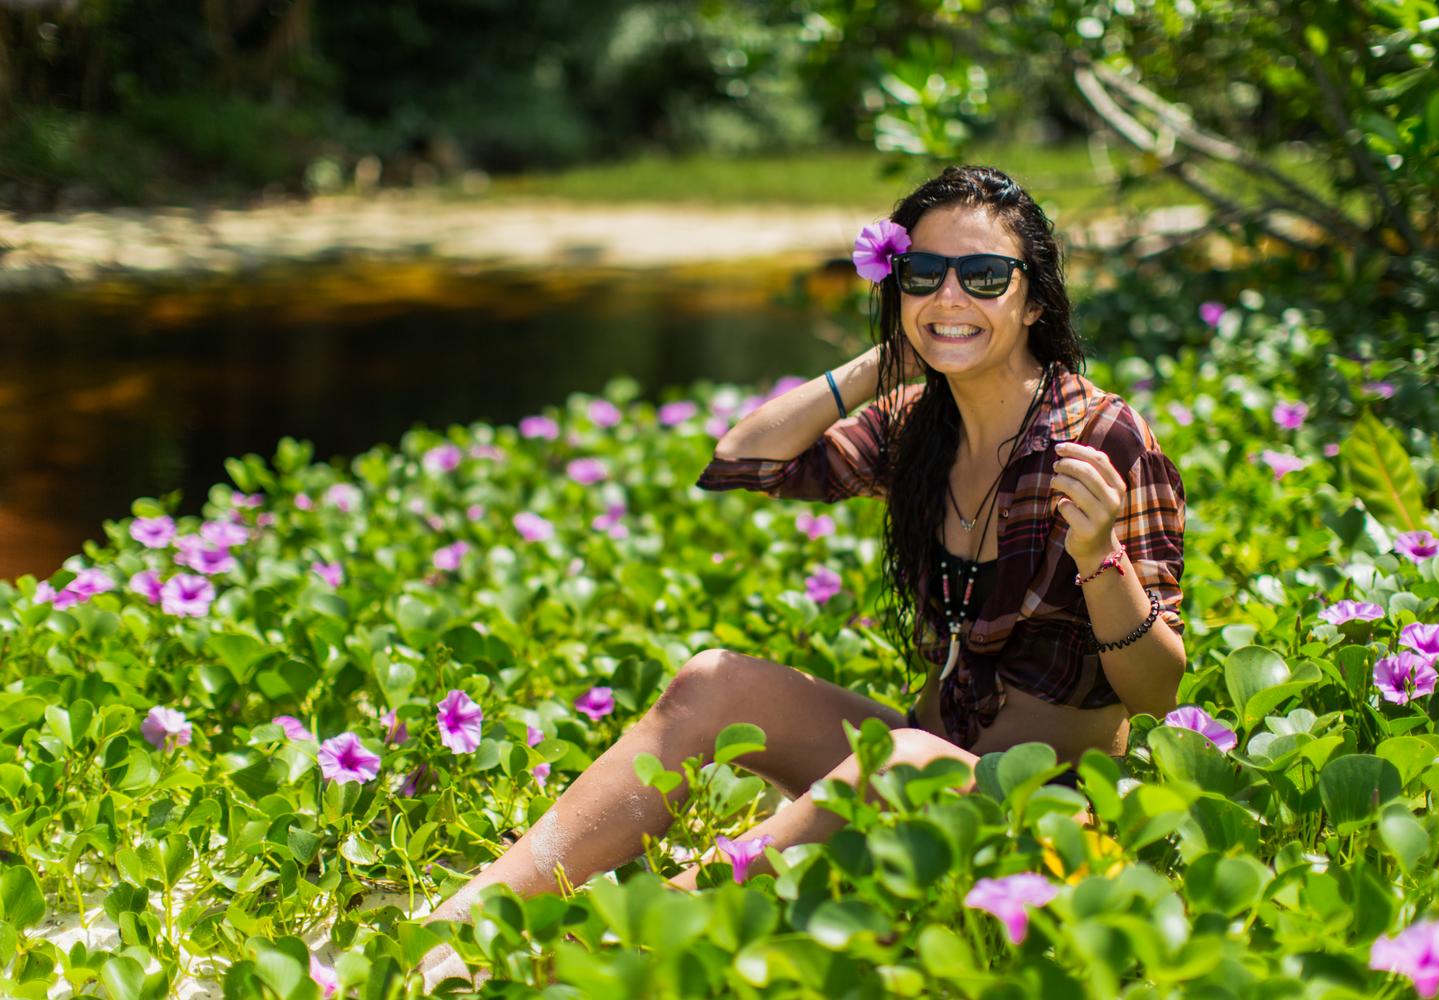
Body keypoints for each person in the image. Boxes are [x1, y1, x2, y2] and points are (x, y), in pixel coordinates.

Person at [420, 164, 1186, 980]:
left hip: (1044, 819)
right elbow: (741, 461)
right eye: (922, 275)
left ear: (1033, 301)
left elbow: (1157, 690)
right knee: (716, 681)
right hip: (924, 755)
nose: (950, 296)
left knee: (904, 762)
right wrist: (884, 365)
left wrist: (1099, 558)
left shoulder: (1103, 438)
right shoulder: (915, 425)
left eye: (985, 276)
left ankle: (606, 951)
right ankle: (464, 919)